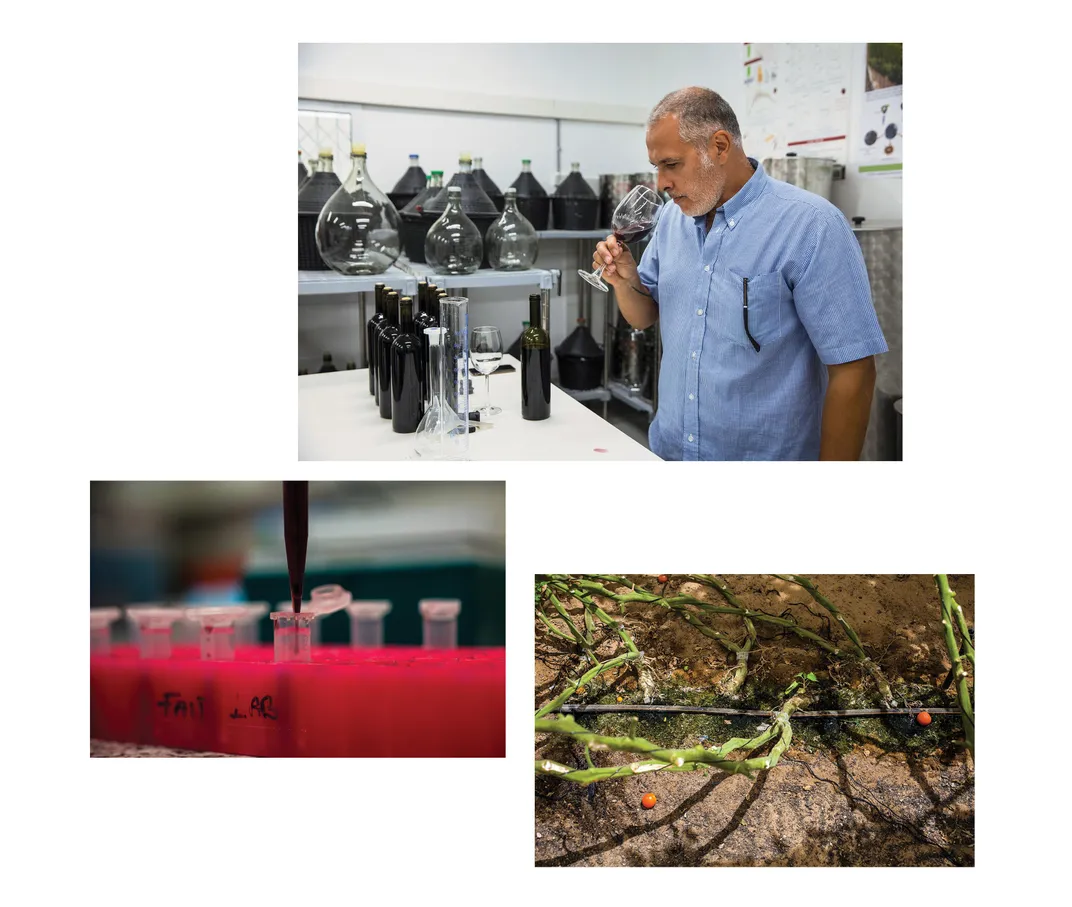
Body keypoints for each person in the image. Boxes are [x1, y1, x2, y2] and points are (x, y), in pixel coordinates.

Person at [593, 87, 887, 460]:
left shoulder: (811, 226)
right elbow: (644, 315)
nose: (661, 183)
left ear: (719, 146)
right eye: (657, 168)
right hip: (671, 453)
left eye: (671, 164)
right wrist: (625, 280)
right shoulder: (671, 219)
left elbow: (855, 371)